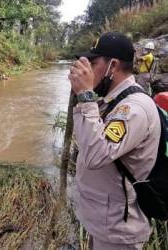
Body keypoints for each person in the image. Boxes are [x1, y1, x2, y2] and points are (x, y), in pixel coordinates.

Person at [68, 32, 161, 250]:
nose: (87, 69)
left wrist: (86, 96)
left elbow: (94, 155)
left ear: (113, 65)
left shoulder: (133, 109)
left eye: (93, 63)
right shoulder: (114, 99)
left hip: (118, 232)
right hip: (102, 221)